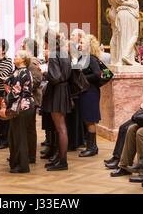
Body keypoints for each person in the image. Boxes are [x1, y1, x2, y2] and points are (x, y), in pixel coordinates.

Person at [41, 32, 73, 171]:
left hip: (57, 92)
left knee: (60, 129)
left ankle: (63, 161)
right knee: (61, 128)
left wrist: (44, 72)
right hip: (63, 90)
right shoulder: (65, 54)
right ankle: (59, 159)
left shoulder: (54, 54)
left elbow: (55, 77)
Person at [0, 50, 35, 173]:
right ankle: (17, 163)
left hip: (22, 107)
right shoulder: (20, 72)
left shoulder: (21, 72)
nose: (14, 58)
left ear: (23, 60)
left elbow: (16, 92)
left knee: (19, 136)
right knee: (16, 135)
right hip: (25, 105)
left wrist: (5, 102)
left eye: (16, 56)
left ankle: (23, 166)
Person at [106, 0, 141, 66]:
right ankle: (125, 56)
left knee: (121, 36)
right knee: (134, 35)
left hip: (121, 12)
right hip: (130, 12)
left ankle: (120, 60)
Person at [77, 35, 102, 157]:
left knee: (90, 120)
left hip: (91, 92)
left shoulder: (91, 58)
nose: (79, 45)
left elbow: (97, 74)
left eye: (82, 43)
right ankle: (93, 146)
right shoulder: (84, 57)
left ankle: (91, 148)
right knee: (88, 120)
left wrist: (82, 78)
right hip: (86, 92)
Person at [21, 38, 43, 164]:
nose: (21, 48)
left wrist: (20, 84)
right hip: (26, 98)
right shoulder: (26, 61)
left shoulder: (32, 62)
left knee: (29, 127)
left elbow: (36, 80)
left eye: (23, 46)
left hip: (31, 99)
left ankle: (30, 156)